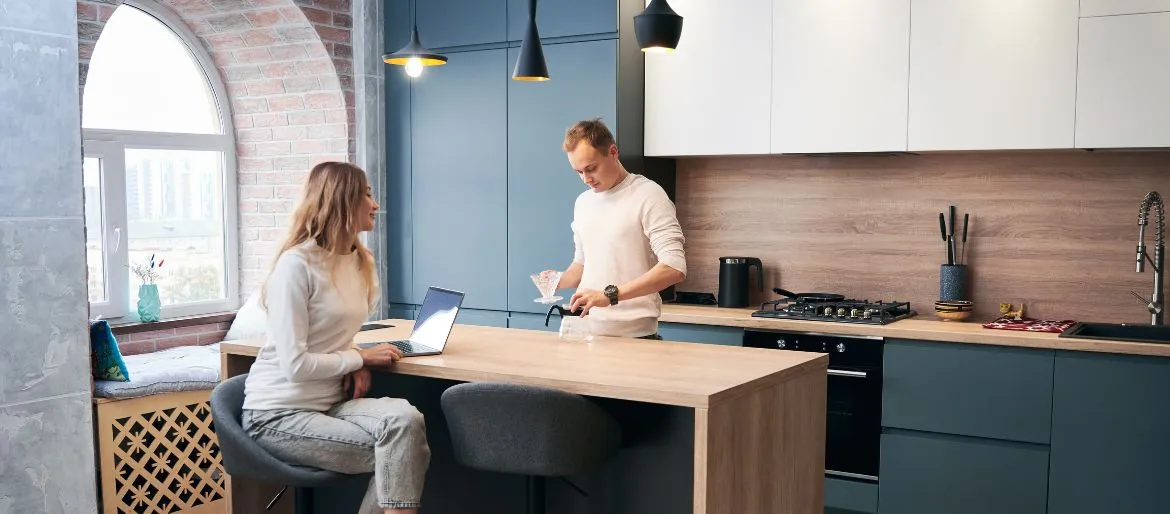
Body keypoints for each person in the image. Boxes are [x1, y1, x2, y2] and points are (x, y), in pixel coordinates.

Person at [240, 162, 430, 513]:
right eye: (368, 195)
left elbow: (331, 333)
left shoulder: (358, 261)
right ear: (342, 200)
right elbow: (295, 365)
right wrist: (360, 358)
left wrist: (353, 352)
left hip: (329, 403)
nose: (375, 204)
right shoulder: (296, 266)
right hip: (278, 415)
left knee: (406, 420)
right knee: (397, 452)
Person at [552, 118, 687, 339]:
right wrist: (558, 280)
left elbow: (674, 267)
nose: (586, 179)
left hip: (635, 337)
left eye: (591, 168)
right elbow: (583, 264)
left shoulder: (648, 195)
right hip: (585, 331)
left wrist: (610, 295)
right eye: (578, 172)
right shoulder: (583, 202)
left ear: (613, 152)